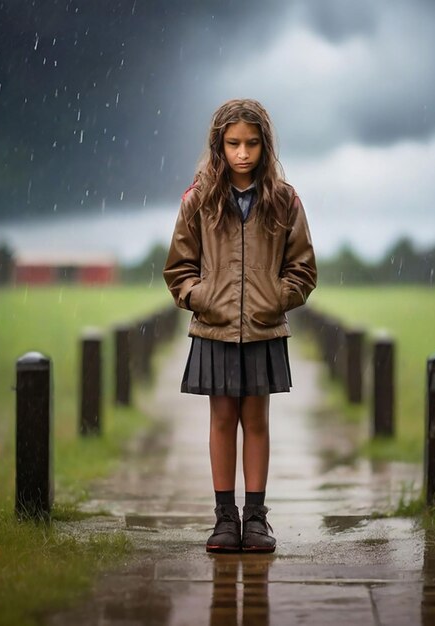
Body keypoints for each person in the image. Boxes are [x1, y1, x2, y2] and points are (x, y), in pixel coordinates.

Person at [163, 98, 317, 553]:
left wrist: (273, 300)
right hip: (215, 329)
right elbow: (178, 269)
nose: (243, 153)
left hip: (265, 330)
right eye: (233, 144)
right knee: (221, 418)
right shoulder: (198, 200)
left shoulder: (285, 200)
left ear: (265, 146)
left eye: (251, 143)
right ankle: (224, 519)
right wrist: (203, 298)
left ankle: (256, 518)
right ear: (219, 145)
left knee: (257, 420)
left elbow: (303, 269)